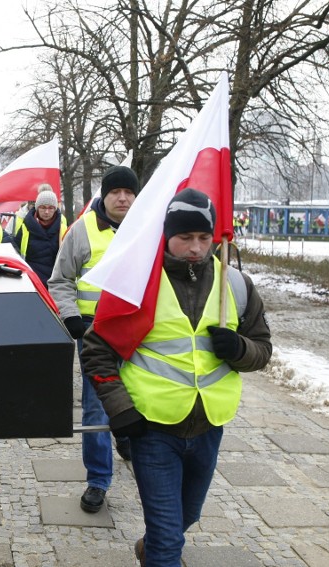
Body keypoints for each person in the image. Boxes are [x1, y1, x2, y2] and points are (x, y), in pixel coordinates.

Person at [80, 188, 272, 566]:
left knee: (186, 519)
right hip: (152, 430)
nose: (196, 248)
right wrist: (120, 411)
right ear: (167, 235)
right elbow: (97, 351)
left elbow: (262, 350)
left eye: (204, 237)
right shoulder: (136, 284)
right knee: (169, 542)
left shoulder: (235, 284)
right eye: (185, 237)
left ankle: (149, 548)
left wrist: (238, 349)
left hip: (208, 427)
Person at [47, 164, 139, 513]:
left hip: (138, 336)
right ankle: (98, 480)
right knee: (96, 409)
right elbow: (61, 280)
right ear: (105, 194)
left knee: (139, 399)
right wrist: (70, 316)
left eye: (129, 192)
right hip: (94, 336)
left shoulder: (147, 230)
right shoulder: (82, 230)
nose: (122, 197)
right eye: (116, 191)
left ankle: (128, 438)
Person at [13, 186, 67, 287]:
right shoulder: (26, 228)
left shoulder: (63, 229)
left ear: (55, 209)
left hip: (56, 283)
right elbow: (15, 252)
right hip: (31, 282)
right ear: (37, 208)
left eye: (50, 208)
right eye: (43, 207)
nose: (46, 212)